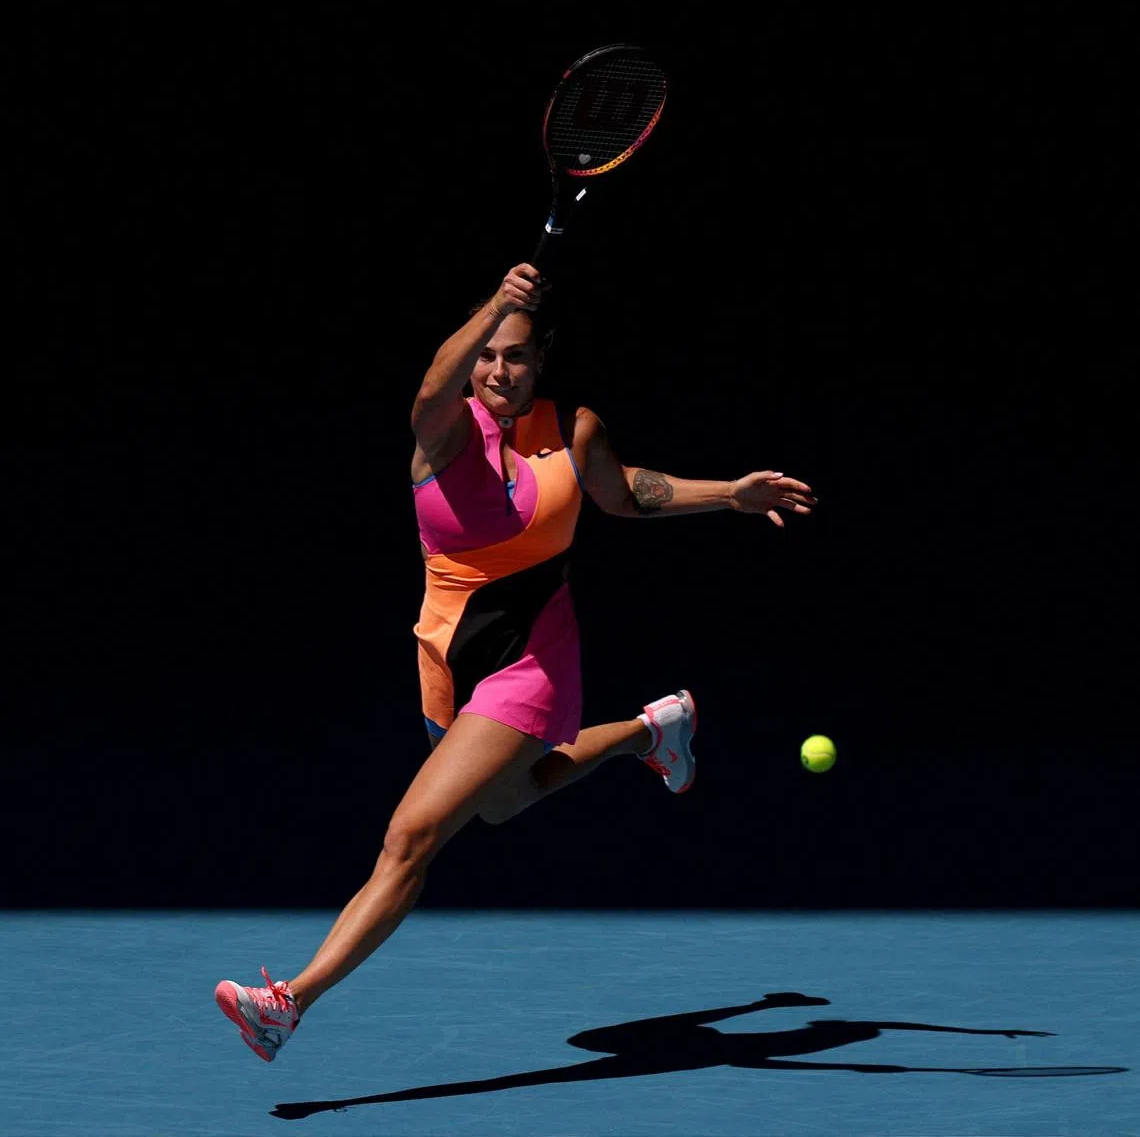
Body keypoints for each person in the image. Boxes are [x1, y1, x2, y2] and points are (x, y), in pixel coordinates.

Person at [214, 262, 817, 1062]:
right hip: (446, 660)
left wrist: (728, 495)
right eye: (489, 354)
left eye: (520, 355)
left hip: (532, 661)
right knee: (501, 804)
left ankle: (288, 1001)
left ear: (543, 359)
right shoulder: (445, 432)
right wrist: (500, 301)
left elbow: (627, 493)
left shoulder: (576, 432)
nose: (501, 370)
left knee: (411, 838)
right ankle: (652, 731)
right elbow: (429, 391)